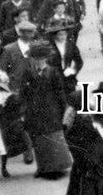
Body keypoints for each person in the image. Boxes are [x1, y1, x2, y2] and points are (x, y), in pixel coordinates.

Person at [26, 42, 73, 178]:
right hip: (35, 111)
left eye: (41, 59)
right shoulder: (29, 73)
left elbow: (60, 92)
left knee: (54, 137)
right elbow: (24, 92)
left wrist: (64, 110)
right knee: (39, 139)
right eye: (36, 59)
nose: (39, 61)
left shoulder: (53, 72)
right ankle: (42, 168)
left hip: (52, 110)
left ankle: (58, 167)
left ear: (46, 59)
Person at [0, 69, 31, 180]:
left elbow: (15, 112)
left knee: (3, 147)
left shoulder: (9, 97)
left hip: (5, 126)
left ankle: (3, 168)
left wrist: (5, 107)